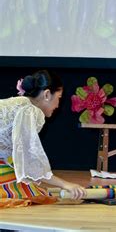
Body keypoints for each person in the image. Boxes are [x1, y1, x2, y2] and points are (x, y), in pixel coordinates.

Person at [0, 70, 86, 207]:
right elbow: (30, 164)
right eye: (59, 97)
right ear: (47, 94)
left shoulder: (20, 104)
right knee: (25, 189)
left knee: (23, 181)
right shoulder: (30, 110)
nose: (58, 105)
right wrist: (66, 185)